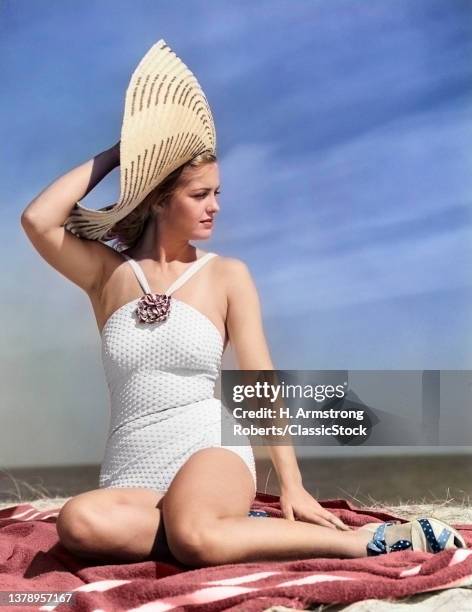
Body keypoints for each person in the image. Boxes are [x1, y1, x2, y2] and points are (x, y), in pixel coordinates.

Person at [20, 142, 466, 567]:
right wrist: (124, 154)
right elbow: (38, 219)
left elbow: (261, 382)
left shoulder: (227, 275)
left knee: (193, 535)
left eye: (216, 193)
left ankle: (359, 543)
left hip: (208, 449)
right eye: (200, 195)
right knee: (78, 522)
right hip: (131, 469)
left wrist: (293, 485)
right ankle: (233, 530)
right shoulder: (108, 274)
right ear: (157, 198)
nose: (215, 206)